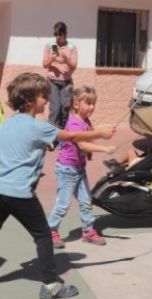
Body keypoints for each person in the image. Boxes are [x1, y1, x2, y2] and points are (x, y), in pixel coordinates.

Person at [0, 73, 115, 298]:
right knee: (43, 235)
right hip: (21, 194)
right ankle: (51, 285)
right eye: (44, 96)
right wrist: (102, 133)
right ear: (30, 99)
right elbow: (71, 136)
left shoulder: (7, 124)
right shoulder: (41, 127)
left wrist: (4, 176)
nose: (48, 100)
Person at [48, 86, 116, 249]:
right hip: (67, 169)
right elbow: (83, 145)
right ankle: (50, 231)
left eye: (93, 103)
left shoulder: (86, 122)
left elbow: (89, 140)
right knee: (63, 204)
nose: (92, 107)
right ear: (76, 104)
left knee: (86, 201)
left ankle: (88, 231)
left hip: (79, 168)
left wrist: (91, 151)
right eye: (88, 103)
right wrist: (104, 149)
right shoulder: (74, 123)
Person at [42, 22, 78, 129]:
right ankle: (51, 135)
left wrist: (67, 59)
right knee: (55, 108)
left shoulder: (71, 47)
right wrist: (52, 58)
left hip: (66, 82)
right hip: (52, 81)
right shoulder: (50, 46)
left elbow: (73, 66)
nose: (57, 37)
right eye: (55, 34)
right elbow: (44, 65)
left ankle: (62, 134)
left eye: (60, 34)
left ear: (65, 34)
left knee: (65, 108)